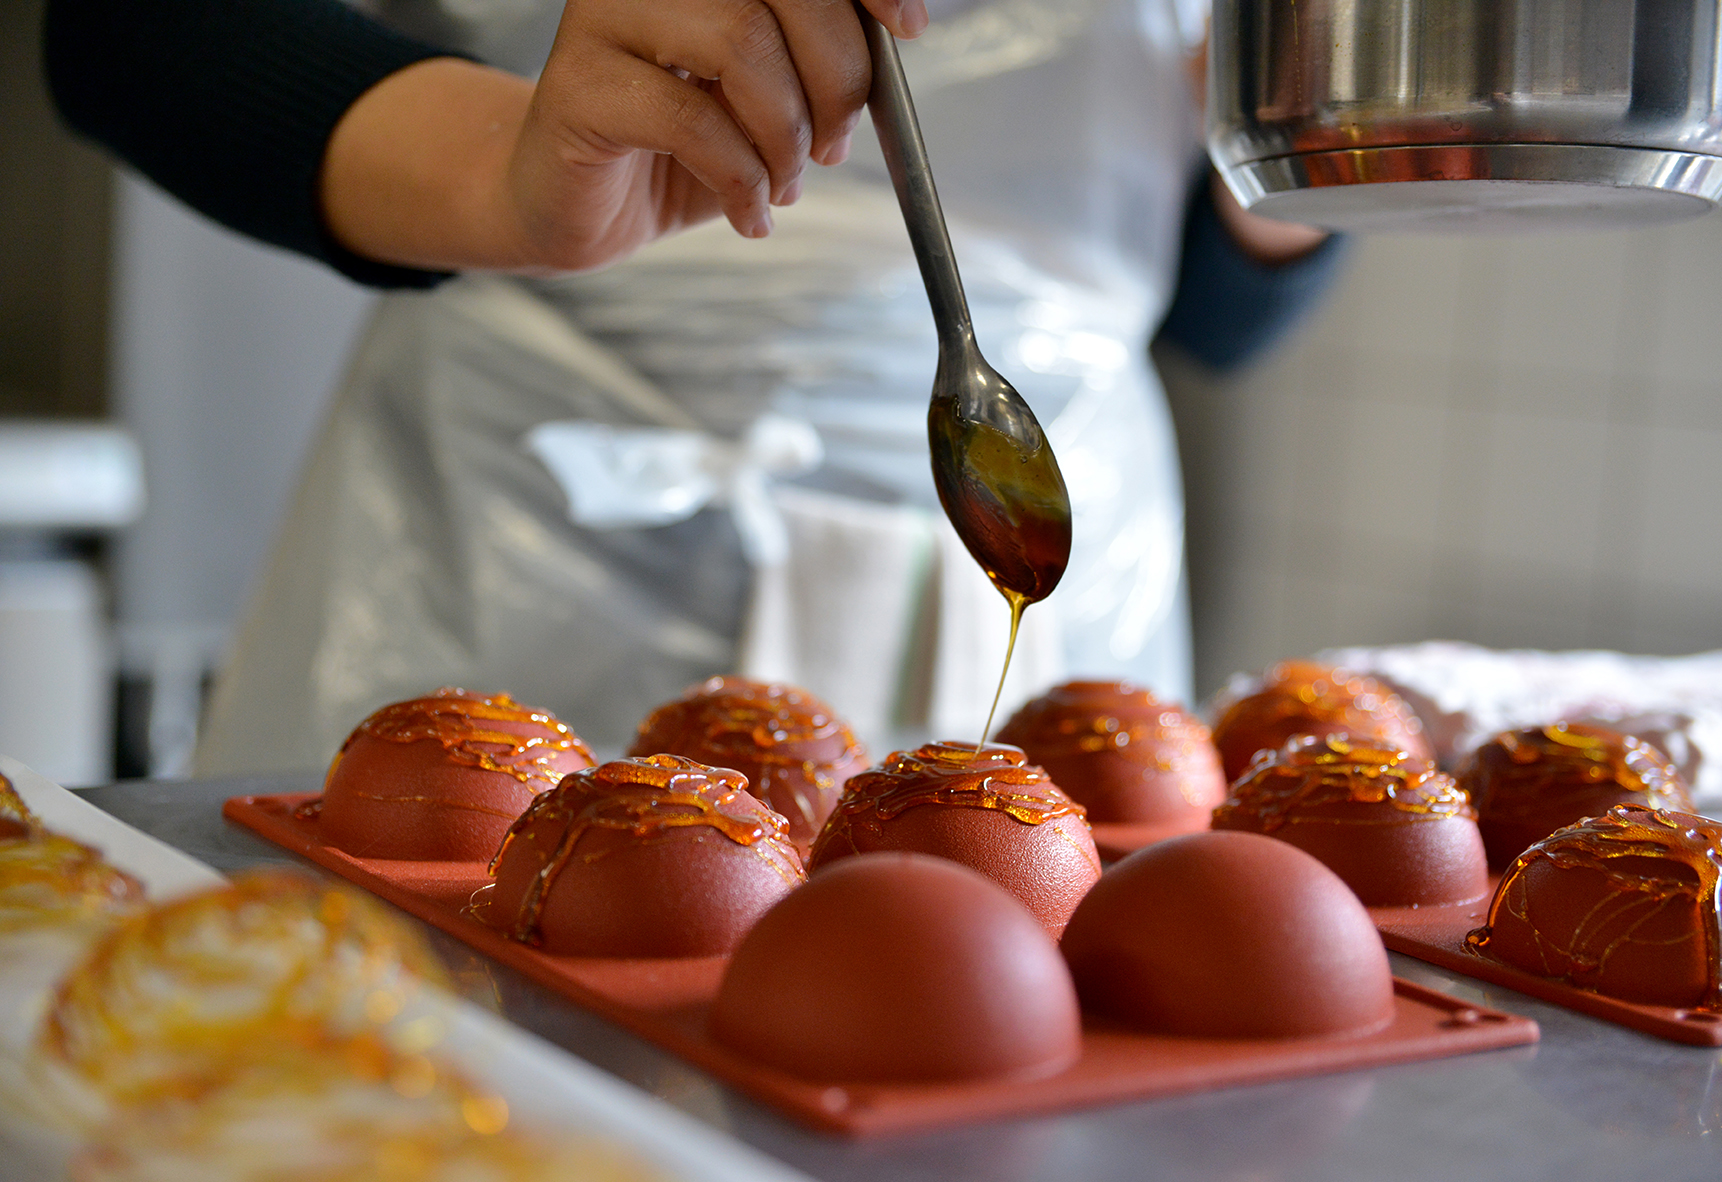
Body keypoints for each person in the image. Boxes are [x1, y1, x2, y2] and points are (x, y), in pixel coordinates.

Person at [45, 0, 1343, 768]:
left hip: (1043, 550)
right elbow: (131, 31)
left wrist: (1304, 107)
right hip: (505, 539)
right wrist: (507, 175)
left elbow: (1222, 317)